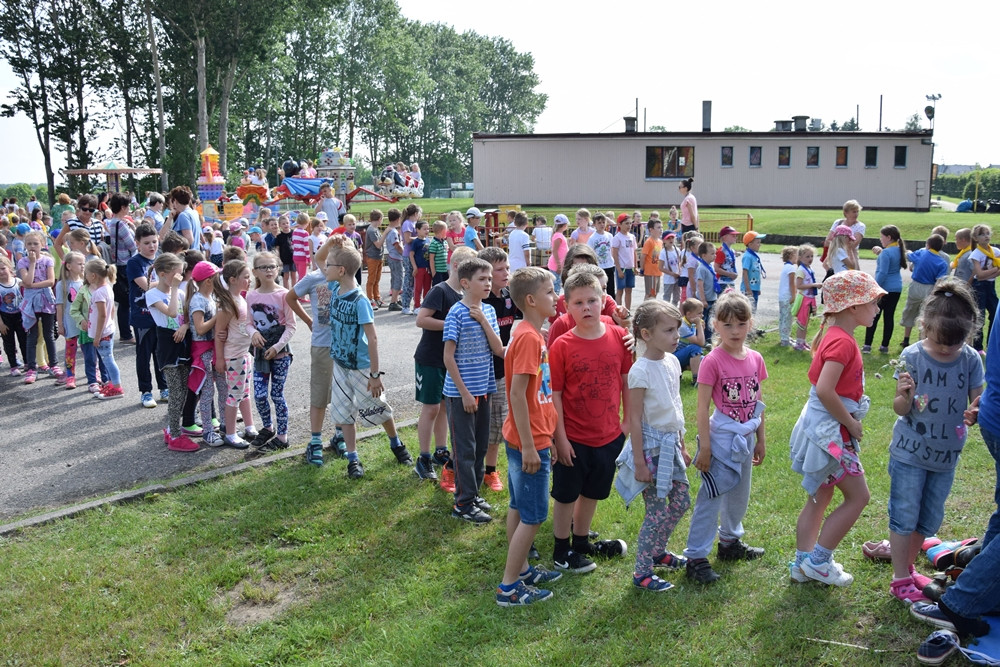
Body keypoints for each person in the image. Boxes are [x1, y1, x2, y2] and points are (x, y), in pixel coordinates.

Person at [885, 279, 984, 603]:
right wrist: (904, 396)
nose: (946, 349)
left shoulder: (970, 360)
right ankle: (900, 578)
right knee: (904, 513)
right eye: (941, 342)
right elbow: (900, 408)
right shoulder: (912, 356)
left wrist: (975, 410)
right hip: (910, 452)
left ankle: (909, 567)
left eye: (954, 344)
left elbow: (977, 400)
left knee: (929, 518)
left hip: (946, 456)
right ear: (924, 325)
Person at [788, 270, 885, 587]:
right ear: (853, 307)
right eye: (873, 302)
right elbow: (827, 391)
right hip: (831, 437)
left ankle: (802, 564)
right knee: (859, 497)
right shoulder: (843, 343)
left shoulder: (835, 335)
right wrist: (852, 423)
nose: (877, 308)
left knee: (819, 496)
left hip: (822, 431)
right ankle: (818, 561)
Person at [549, 269, 631, 573]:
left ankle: (581, 542)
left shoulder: (621, 338)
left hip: (609, 435)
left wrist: (627, 424)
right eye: (579, 302)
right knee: (567, 494)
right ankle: (561, 549)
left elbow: (626, 383)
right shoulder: (562, 346)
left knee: (593, 492)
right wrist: (561, 437)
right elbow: (555, 395)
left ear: (603, 301)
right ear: (567, 307)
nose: (587, 307)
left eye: (592, 300)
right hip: (574, 436)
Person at [683, 290, 767, 583]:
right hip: (720, 440)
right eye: (727, 324)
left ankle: (730, 542)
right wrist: (704, 447)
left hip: (744, 439)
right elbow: (702, 407)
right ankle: (695, 557)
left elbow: (758, 401)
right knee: (712, 496)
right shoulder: (712, 360)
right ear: (716, 325)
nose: (735, 331)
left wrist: (761, 438)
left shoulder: (755, 358)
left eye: (741, 324)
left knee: (739, 494)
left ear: (750, 324)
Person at [495, 266, 561, 606]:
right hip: (530, 440)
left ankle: (521, 570)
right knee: (534, 515)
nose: (556, 297)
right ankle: (509, 588)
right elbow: (517, 394)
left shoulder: (530, 330)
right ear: (532, 300)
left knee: (519, 506)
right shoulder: (528, 338)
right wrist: (533, 446)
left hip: (526, 436)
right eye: (551, 292)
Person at [321, 236, 412, 477]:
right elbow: (319, 259)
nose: (324, 268)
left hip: (361, 368)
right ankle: (353, 458)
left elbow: (372, 339)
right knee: (343, 412)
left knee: (377, 407)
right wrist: (331, 244)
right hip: (340, 365)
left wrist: (374, 375)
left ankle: (396, 444)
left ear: (341, 270)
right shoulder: (335, 287)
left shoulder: (360, 301)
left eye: (329, 265)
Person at [624, 300, 692, 591]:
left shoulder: (673, 361)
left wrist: (683, 444)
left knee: (681, 501)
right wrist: (639, 462)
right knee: (656, 511)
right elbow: (635, 419)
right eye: (668, 330)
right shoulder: (640, 371)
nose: (676, 336)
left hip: (671, 445)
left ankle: (658, 551)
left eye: (677, 329)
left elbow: (675, 405)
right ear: (646, 334)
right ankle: (642, 573)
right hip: (650, 451)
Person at [443, 257, 505, 522]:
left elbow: (498, 348)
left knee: (481, 446)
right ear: (465, 283)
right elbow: (448, 357)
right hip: (462, 395)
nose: (488, 283)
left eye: (490, 279)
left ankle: (473, 492)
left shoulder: (488, 311)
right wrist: (465, 393)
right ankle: (463, 504)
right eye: (482, 279)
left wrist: (483, 320)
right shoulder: (456, 313)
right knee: (465, 448)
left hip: (485, 388)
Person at [411, 247, 478, 486]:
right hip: (430, 359)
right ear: (458, 267)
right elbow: (422, 320)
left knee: (441, 406)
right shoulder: (440, 291)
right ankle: (423, 458)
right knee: (430, 409)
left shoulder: (463, 296)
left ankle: (441, 450)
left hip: (447, 360)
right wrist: (452, 324)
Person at [242, 251, 297, 458]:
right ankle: (268, 427)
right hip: (260, 355)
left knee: (276, 394)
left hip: (280, 354)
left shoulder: (284, 294)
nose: (268, 270)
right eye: (263, 267)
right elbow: (248, 323)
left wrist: (278, 346)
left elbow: (291, 326)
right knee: (260, 394)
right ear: (255, 271)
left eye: (272, 266)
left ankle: (282, 437)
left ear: (278, 268)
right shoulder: (251, 295)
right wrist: (254, 333)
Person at [145, 253, 197, 451]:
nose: (180, 278)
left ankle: (172, 428)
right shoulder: (152, 294)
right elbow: (172, 312)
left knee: (183, 391)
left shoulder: (181, 293)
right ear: (162, 273)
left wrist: (184, 327)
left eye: (181, 274)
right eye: (176, 274)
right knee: (176, 393)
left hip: (182, 343)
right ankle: (175, 436)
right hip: (167, 346)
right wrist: (175, 288)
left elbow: (186, 317)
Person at [480, 247, 518, 493]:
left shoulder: (510, 295)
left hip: (502, 372)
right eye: (500, 269)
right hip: (477, 373)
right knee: (472, 426)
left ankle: (490, 471)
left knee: (496, 425)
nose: (506, 273)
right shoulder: (479, 300)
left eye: (507, 268)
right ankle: (453, 466)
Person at [213, 260, 259, 448]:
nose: (249, 280)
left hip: (244, 355)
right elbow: (219, 334)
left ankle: (249, 426)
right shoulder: (227, 304)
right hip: (234, 357)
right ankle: (231, 434)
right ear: (232, 279)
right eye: (245, 277)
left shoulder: (241, 298)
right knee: (234, 395)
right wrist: (220, 359)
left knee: (244, 393)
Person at [127, 224, 168, 407]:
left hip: (161, 315)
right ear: (137, 244)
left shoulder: (160, 259)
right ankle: (146, 391)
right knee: (143, 356)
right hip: (142, 317)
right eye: (146, 243)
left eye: (154, 241)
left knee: (161, 354)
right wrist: (167, 282)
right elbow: (146, 285)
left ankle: (164, 387)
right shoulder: (134, 263)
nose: (151, 246)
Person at [186, 261, 226, 447]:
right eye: (217, 276)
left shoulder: (209, 297)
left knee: (224, 389)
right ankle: (208, 432)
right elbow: (200, 329)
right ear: (209, 281)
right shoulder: (198, 300)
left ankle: (227, 427)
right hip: (203, 352)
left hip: (214, 349)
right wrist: (219, 316)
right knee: (207, 393)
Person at [17, 230, 57, 384]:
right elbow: (26, 280)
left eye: (35, 243)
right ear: (25, 246)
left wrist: (31, 285)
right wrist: (32, 263)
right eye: (29, 244)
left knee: (48, 334)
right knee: (32, 335)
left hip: (45, 299)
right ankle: (32, 368)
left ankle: (53, 364)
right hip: (31, 302)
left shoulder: (48, 260)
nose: (32, 247)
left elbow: (50, 281)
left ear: (42, 244)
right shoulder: (23, 262)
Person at [900, 234, 949, 348]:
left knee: (911, 310)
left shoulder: (922, 253)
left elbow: (909, 256)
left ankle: (906, 338)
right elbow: (940, 280)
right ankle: (922, 338)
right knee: (926, 314)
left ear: (928, 245)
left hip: (916, 285)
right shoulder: (942, 262)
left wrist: (907, 251)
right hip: (930, 288)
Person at [86, 258, 125, 399]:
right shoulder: (107, 288)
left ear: (93, 276)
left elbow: (102, 315)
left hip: (103, 333)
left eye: (87, 273)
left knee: (108, 359)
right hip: (107, 330)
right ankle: (111, 384)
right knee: (107, 359)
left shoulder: (99, 293)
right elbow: (111, 311)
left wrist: (97, 337)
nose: (86, 276)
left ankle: (117, 387)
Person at [863, 225, 905, 354]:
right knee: (889, 317)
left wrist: (874, 287)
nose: (880, 239)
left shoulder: (886, 253)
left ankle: (867, 345)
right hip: (896, 287)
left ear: (889, 237)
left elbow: (882, 273)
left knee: (874, 315)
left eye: (882, 237)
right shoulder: (899, 250)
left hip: (884, 288)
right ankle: (884, 346)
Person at [106, 193, 138, 343]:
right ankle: (126, 334)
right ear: (123, 207)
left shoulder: (112, 222)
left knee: (123, 301)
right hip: (126, 263)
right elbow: (133, 245)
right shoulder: (121, 224)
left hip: (118, 263)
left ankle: (125, 332)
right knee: (127, 301)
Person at [54, 251, 85, 389]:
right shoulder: (62, 284)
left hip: (84, 323)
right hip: (70, 323)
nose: (83, 266)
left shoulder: (86, 282)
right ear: (69, 266)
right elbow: (59, 306)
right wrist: (60, 324)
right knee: (70, 350)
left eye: (84, 263)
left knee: (88, 350)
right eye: (79, 264)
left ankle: (94, 373)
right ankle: (70, 375)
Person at [968, 224, 998, 351]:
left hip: (990, 285)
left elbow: (982, 275)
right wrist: (996, 269)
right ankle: (978, 346)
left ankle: (991, 343)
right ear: (976, 238)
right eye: (982, 234)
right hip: (979, 287)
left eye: (987, 233)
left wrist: (989, 273)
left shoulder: (995, 252)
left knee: (995, 313)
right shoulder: (976, 254)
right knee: (979, 316)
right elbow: (978, 274)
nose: (986, 236)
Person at [822, 200, 865, 277]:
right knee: (830, 270)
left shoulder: (860, 226)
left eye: (857, 211)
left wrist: (837, 242)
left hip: (850, 253)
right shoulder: (838, 222)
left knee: (855, 275)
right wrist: (838, 246)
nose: (856, 214)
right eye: (853, 212)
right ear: (846, 212)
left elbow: (853, 244)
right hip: (836, 251)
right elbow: (828, 240)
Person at [0, 255, 26, 376]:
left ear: (10, 268)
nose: (1, 272)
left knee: (24, 340)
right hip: (5, 318)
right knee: (9, 342)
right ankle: (13, 366)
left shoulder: (19, 282)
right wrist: (1, 324)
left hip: (20, 315)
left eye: (2, 268)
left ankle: (27, 362)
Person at [793, 243, 822, 351]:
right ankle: (798, 343)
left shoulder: (808, 268)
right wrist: (814, 285)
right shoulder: (801, 269)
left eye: (811, 256)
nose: (810, 259)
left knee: (806, 321)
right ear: (800, 257)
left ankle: (803, 341)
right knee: (801, 322)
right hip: (804, 298)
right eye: (807, 256)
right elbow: (799, 285)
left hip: (809, 298)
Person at [673, 298, 706, 385]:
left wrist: (700, 328)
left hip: (682, 354)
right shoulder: (682, 326)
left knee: (705, 360)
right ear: (689, 314)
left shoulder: (691, 323)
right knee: (695, 348)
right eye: (699, 313)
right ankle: (696, 380)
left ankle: (680, 372)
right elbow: (701, 343)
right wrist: (699, 325)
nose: (702, 316)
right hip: (674, 357)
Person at [398, 204, 421, 315]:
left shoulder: (413, 223)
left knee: (413, 279)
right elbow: (407, 239)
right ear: (416, 213)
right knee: (409, 279)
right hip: (408, 254)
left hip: (415, 254)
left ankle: (412, 303)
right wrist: (420, 237)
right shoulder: (408, 223)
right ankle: (405, 305)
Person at [693, 241, 720, 339]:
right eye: (712, 253)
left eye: (715, 253)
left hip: (712, 297)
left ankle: (709, 337)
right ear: (704, 255)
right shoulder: (702, 268)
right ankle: (701, 337)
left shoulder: (710, 266)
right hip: (705, 300)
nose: (715, 255)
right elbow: (700, 284)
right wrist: (703, 299)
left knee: (710, 319)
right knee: (703, 319)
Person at [612, 213, 637, 309]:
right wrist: (618, 270)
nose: (629, 226)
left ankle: (628, 309)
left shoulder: (632, 237)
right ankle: (618, 309)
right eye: (626, 223)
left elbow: (634, 252)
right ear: (619, 224)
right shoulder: (617, 237)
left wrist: (635, 266)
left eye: (630, 223)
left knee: (629, 289)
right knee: (620, 290)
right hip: (622, 267)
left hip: (630, 267)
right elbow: (615, 254)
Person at [363, 209, 386, 308]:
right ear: (379, 219)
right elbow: (377, 244)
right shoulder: (371, 230)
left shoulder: (375, 229)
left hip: (378, 256)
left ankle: (377, 297)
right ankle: (370, 298)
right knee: (371, 279)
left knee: (377, 279)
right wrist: (385, 234)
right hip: (372, 257)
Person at [777, 246, 799, 347]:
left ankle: (784, 336)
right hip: (788, 296)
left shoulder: (786, 267)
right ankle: (785, 339)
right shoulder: (791, 268)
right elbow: (792, 283)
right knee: (788, 318)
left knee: (783, 317)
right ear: (791, 255)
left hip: (782, 296)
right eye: (796, 254)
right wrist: (794, 295)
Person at [740, 231, 767, 311]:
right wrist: (748, 289)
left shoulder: (753, 256)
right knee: (749, 310)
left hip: (754, 288)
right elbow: (745, 273)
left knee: (753, 310)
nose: (760, 244)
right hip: (749, 289)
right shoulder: (748, 256)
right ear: (750, 244)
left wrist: (757, 288)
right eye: (758, 242)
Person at [384, 208, 404, 311]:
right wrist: (404, 253)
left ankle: (395, 298)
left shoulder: (389, 230)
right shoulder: (393, 232)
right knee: (398, 279)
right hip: (395, 257)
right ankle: (393, 301)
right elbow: (396, 245)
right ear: (398, 219)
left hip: (392, 257)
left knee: (395, 278)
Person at [409, 221, 432, 310]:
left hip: (428, 268)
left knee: (427, 287)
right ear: (418, 230)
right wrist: (415, 267)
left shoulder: (428, 240)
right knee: (418, 288)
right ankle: (417, 306)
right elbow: (411, 255)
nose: (427, 231)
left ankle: (425, 305)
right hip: (419, 268)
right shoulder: (416, 242)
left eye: (428, 229)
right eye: (424, 229)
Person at [547, 214, 570, 294]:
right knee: (556, 285)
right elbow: (555, 251)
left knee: (557, 284)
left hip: (558, 264)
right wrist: (559, 265)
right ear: (564, 225)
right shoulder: (558, 236)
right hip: (556, 265)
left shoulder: (558, 235)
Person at [641, 219, 664, 300]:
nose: (661, 229)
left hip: (657, 272)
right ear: (651, 230)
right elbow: (643, 256)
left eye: (661, 227)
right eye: (658, 227)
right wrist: (642, 269)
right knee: (650, 294)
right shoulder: (649, 242)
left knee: (655, 293)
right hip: (650, 272)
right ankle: (645, 310)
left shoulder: (660, 242)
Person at [274, 215, 295, 289]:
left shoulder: (294, 233)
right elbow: (277, 249)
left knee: (294, 276)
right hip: (284, 260)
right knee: (285, 277)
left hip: (293, 258)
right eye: (283, 224)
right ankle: (286, 292)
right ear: (280, 225)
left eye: (287, 223)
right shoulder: (279, 236)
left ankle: (294, 292)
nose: (286, 225)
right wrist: (278, 259)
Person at [427, 221, 449, 286]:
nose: (447, 232)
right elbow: (431, 259)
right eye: (446, 230)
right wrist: (433, 272)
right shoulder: (434, 243)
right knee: (438, 287)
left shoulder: (445, 242)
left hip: (445, 270)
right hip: (438, 271)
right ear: (441, 231)